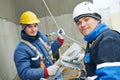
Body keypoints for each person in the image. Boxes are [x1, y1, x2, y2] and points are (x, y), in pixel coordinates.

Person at [73, 1, 120, 80]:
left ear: (97, 19)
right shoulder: (93, 41)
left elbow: (110, 78)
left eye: (86, 19)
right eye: (79, 23)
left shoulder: (108, 39)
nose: (82, 25)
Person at [14, 11, 65, 80]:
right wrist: (45, 72)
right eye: (29, 26)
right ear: (24, 28)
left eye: (35, 26)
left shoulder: (41, 38)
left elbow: (49, 52)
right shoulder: (21, 50)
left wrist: (59, 40)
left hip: (56, 76)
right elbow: (24, 73)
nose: (33, 29)